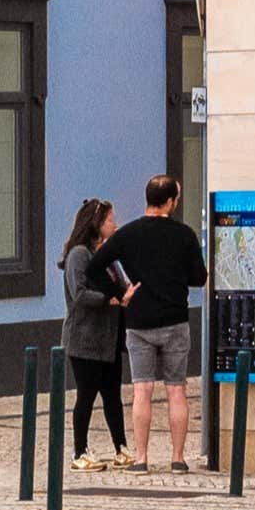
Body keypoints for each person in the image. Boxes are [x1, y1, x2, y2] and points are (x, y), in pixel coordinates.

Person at [85, 174, 210, 471]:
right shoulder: (184, 235)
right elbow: (199, 278)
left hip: (139, 321)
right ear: (169, 202)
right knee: (176, 390)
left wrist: (121, 292)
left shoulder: (127, 234)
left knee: (142, 391)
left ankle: (141, 458)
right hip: (175, 321)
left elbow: (94, 267)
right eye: (176, 199)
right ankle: (178, 458)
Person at [57, 199, 131, 470]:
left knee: (112, 395)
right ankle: (79, 451)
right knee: (86, 395)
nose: (115, 223)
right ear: (97, 225)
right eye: (111, 219)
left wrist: (126, 294)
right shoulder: (79, 254)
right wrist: (108, 300)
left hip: (109, 337)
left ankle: (121, 447)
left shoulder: (108, 258)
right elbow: (79, 293)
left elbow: (120, 285)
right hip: (85, 338)